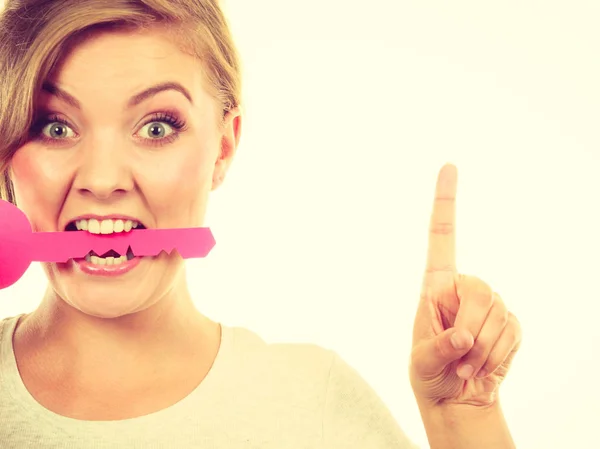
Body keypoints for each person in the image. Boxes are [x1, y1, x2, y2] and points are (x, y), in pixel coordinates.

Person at [0, 1, 522, 448]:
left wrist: (463, 418)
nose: (103, 178)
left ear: (223, 148)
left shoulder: (313, 402)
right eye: (54, 125)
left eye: (157, 126)